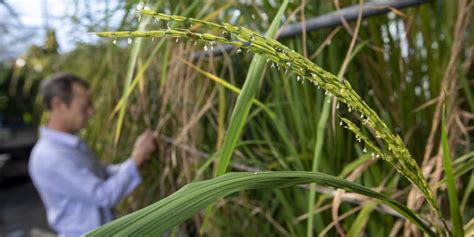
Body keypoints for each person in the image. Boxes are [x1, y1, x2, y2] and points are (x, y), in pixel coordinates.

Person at [29, 73, 156, 237]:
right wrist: (136, 159)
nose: (91, 112)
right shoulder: (50, 156)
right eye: (85, 106)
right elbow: (103, 195)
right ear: (58, 105)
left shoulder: (72, 145)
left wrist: (136, 160)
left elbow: (102, 173)